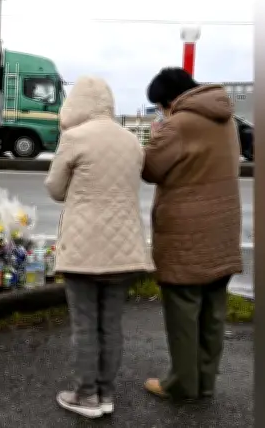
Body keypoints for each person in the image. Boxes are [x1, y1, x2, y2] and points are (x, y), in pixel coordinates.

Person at [45, 76, 155, 419]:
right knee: (111, 324)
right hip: (124, 249)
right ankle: (107, 393)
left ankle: (85, 395)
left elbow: (55, 188)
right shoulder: (132, 141)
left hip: (83, 248)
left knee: (84, 325)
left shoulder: (74, 138)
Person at [141, 67, 243, 401]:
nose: (161, 112)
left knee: (183, 311)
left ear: (170, 100)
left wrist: (156, 134)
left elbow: (151, 169)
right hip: (223, 229)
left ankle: (183, 385)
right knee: (213, 311)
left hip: (186, 234)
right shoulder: (227, 120)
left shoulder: (177, 124)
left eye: (159, 106)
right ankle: (205, 381)